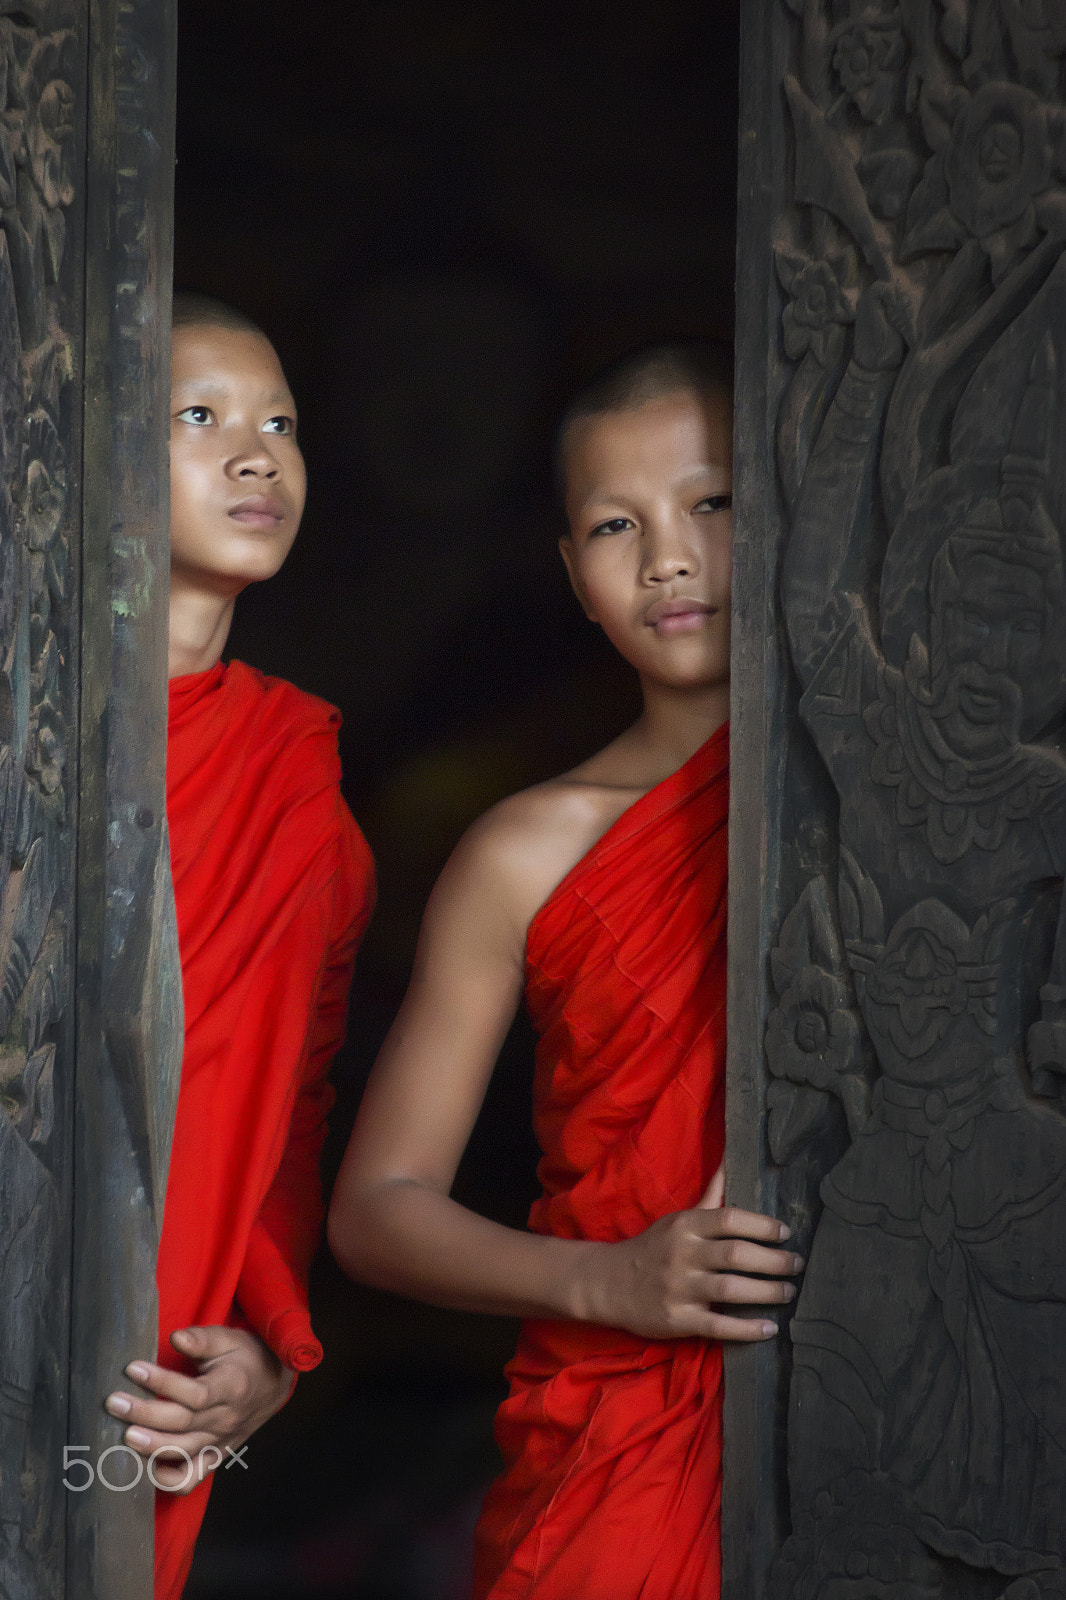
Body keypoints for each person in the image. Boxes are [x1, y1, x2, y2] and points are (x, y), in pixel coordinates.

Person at [328, 342, 802, 1600]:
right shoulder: (525, 850)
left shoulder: (901, 820)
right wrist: (607, 1276)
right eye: (614, 523)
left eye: (715, 501)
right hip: (617, 1431)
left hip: (891, 1397)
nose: (668, 556)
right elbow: (376, 1207)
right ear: (572, 578)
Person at [103, 294, 376, 1600]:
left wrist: (266, 1348)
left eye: (279, 423)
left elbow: (284, 1104)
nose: (256, 455)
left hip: (153, 1380)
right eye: (198, 419)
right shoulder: (28, 744)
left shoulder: (298, 790)